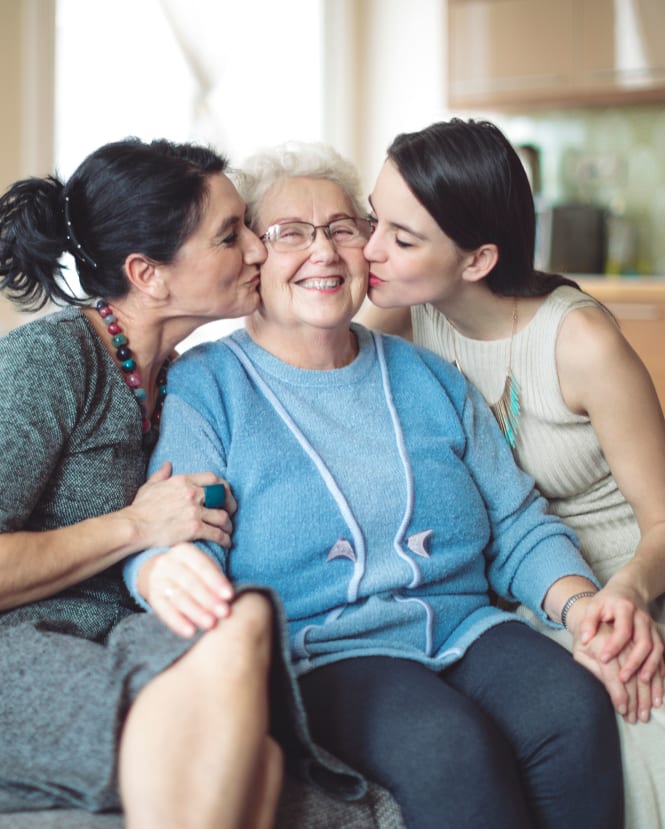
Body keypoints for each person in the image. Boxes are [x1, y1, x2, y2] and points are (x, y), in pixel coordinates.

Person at [124, 140, 627, 829]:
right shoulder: (208, 386)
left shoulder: (427, 375)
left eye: (341, 228)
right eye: (290, 233)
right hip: (326, 649)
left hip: (464, 623)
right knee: (449, 746)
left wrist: (579, 610)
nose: (324, 252)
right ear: (253, 257)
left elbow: (516, 523)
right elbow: (178, 526)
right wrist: (162, 570)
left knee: (572, 705)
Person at [358, 116, 665, 828]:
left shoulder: (580, 341)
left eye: (401, 240)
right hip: (507, 586)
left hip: (626, 581)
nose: (372, 250)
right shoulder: (408, 311)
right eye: (374, 220)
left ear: (476, 259)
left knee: (628, 705)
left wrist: (624, 593)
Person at [0, 137, 287, 829]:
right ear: (149, 274)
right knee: (255, 765)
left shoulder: (186, 376)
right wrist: (138, 525)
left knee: (248, 624)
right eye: (229, 235)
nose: (257, 249)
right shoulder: (51, 361)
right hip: (22, 641)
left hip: (122, 630)